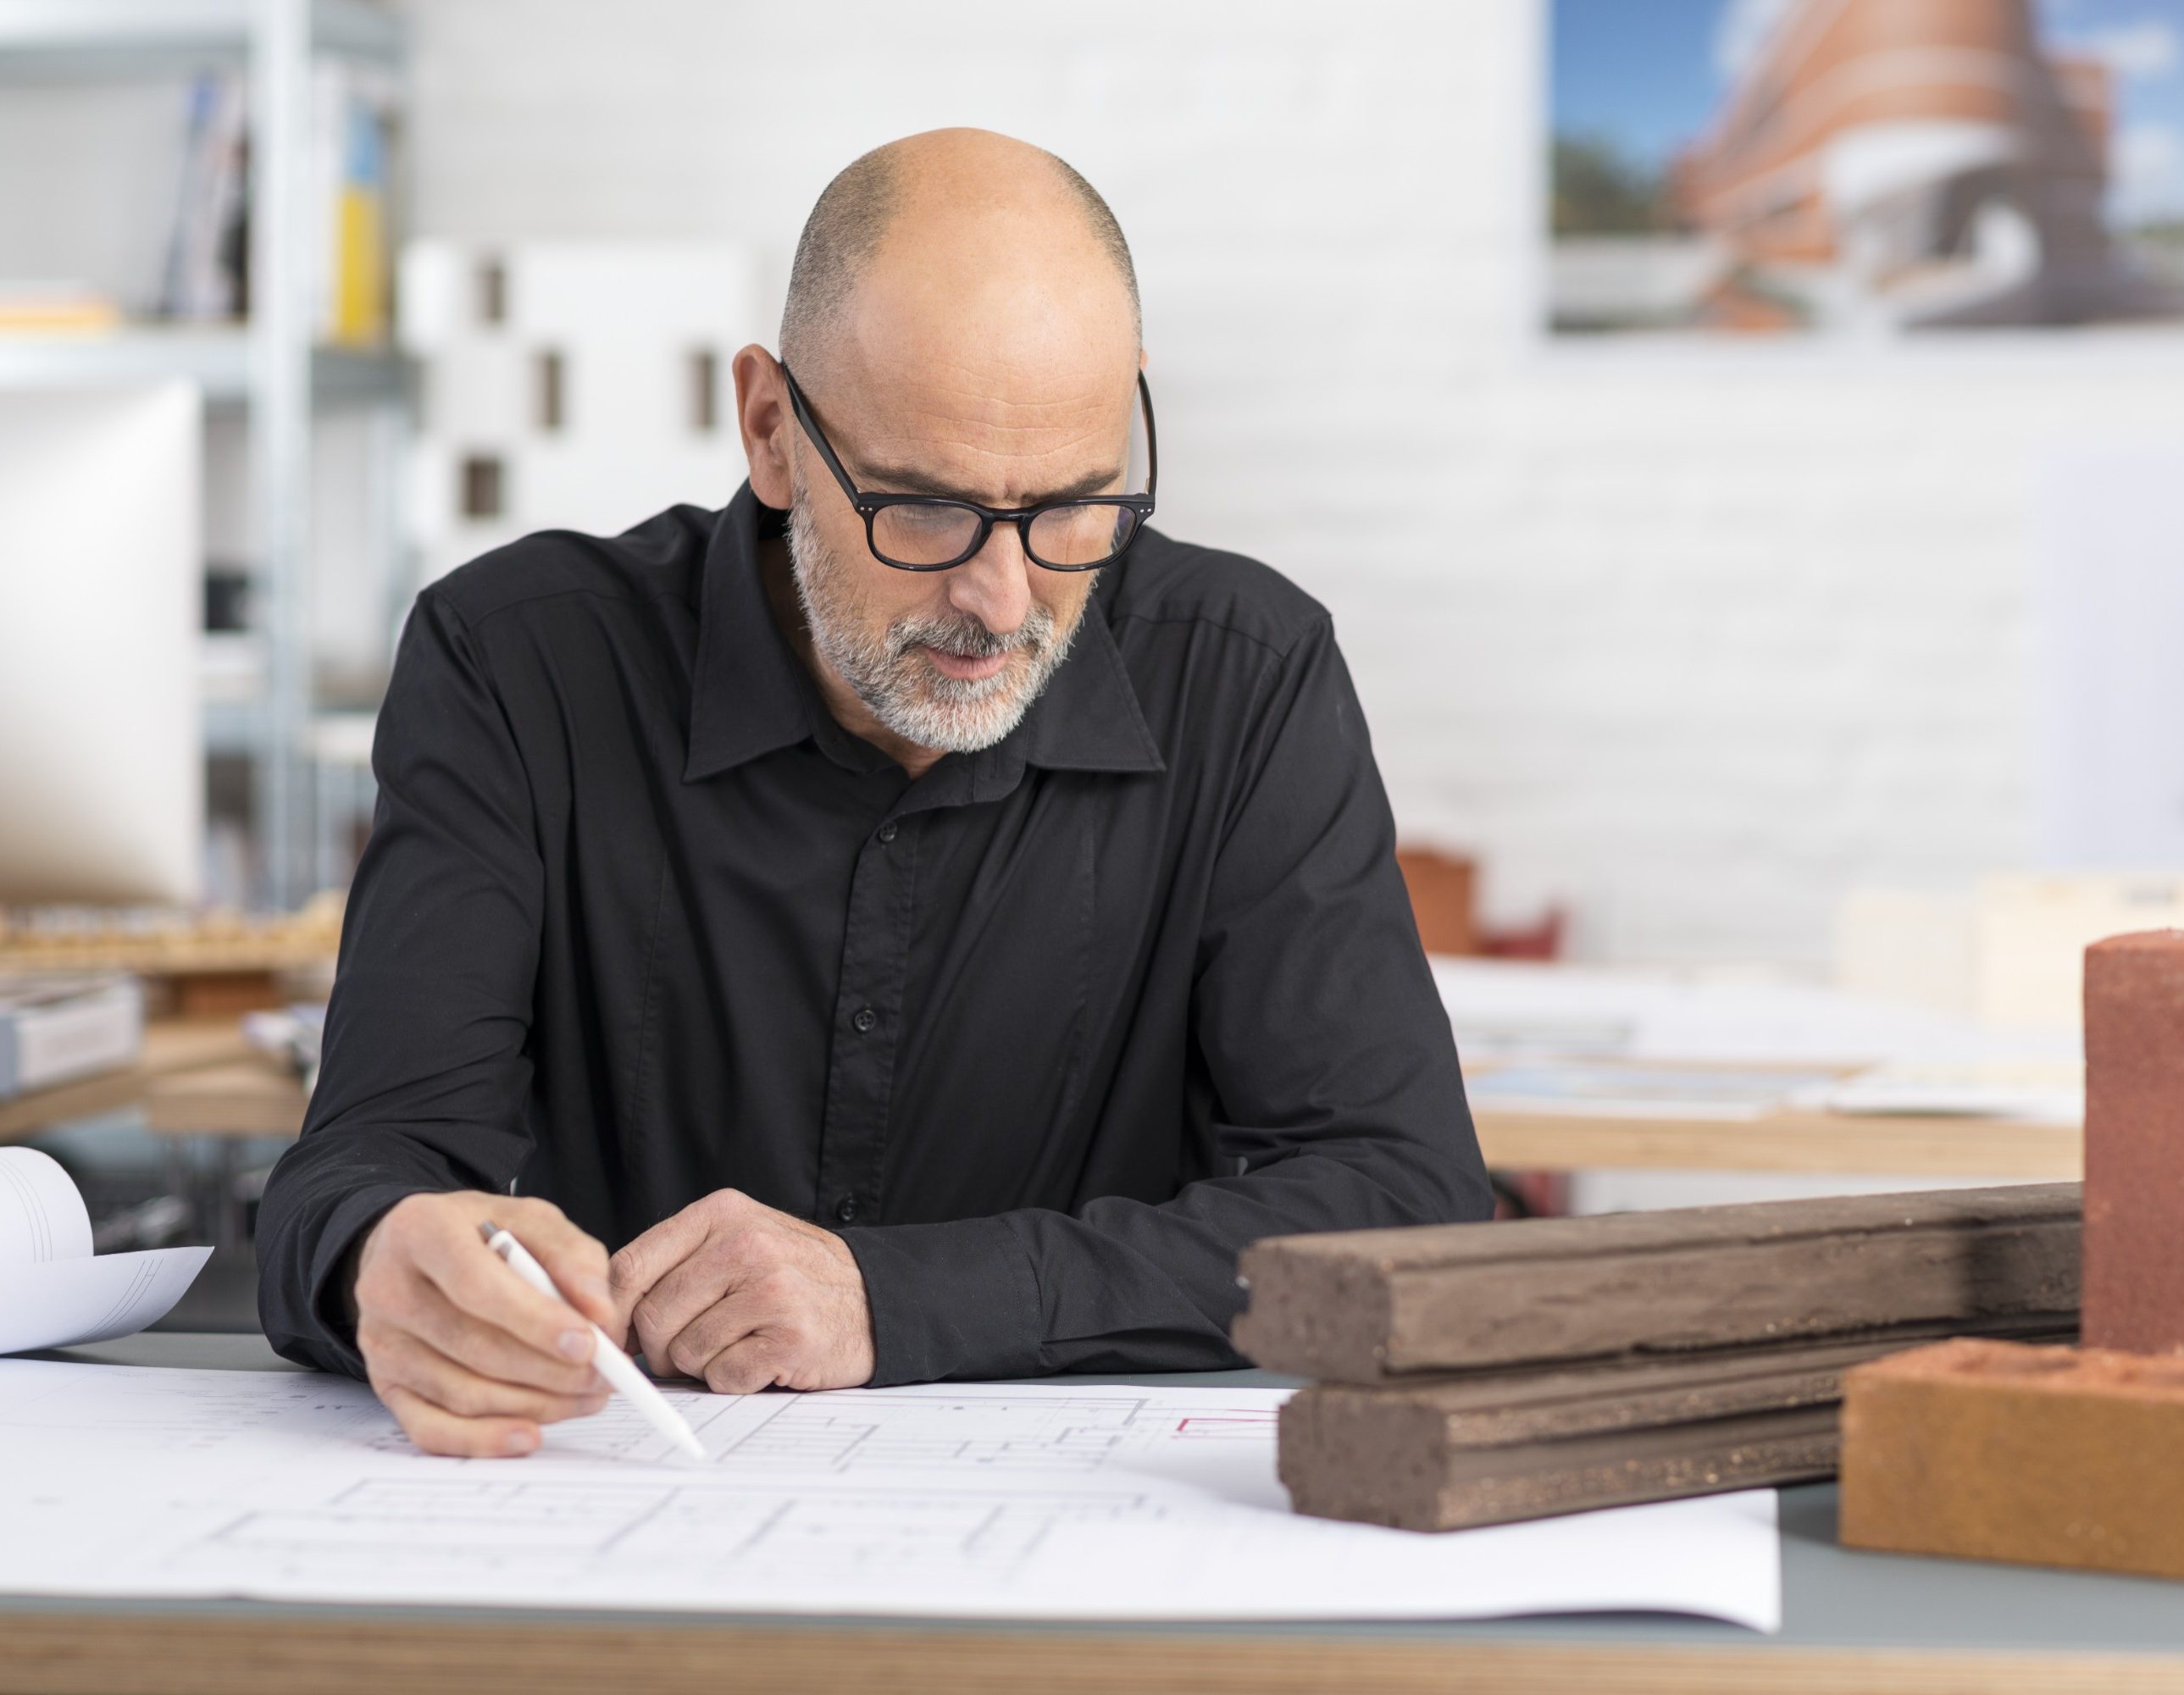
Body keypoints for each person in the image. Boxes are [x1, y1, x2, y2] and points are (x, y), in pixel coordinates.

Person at [256, 128, 1491, 1457]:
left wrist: (892, 1299)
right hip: (619, 1520)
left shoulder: (1246, 677)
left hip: (1096, 1534)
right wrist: (383, 1256)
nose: (1002, 597)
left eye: (1074, 507)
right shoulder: (516, 663)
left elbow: (1402, 1203)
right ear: (773, 432)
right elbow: (360, 1164)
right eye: (924, 510)